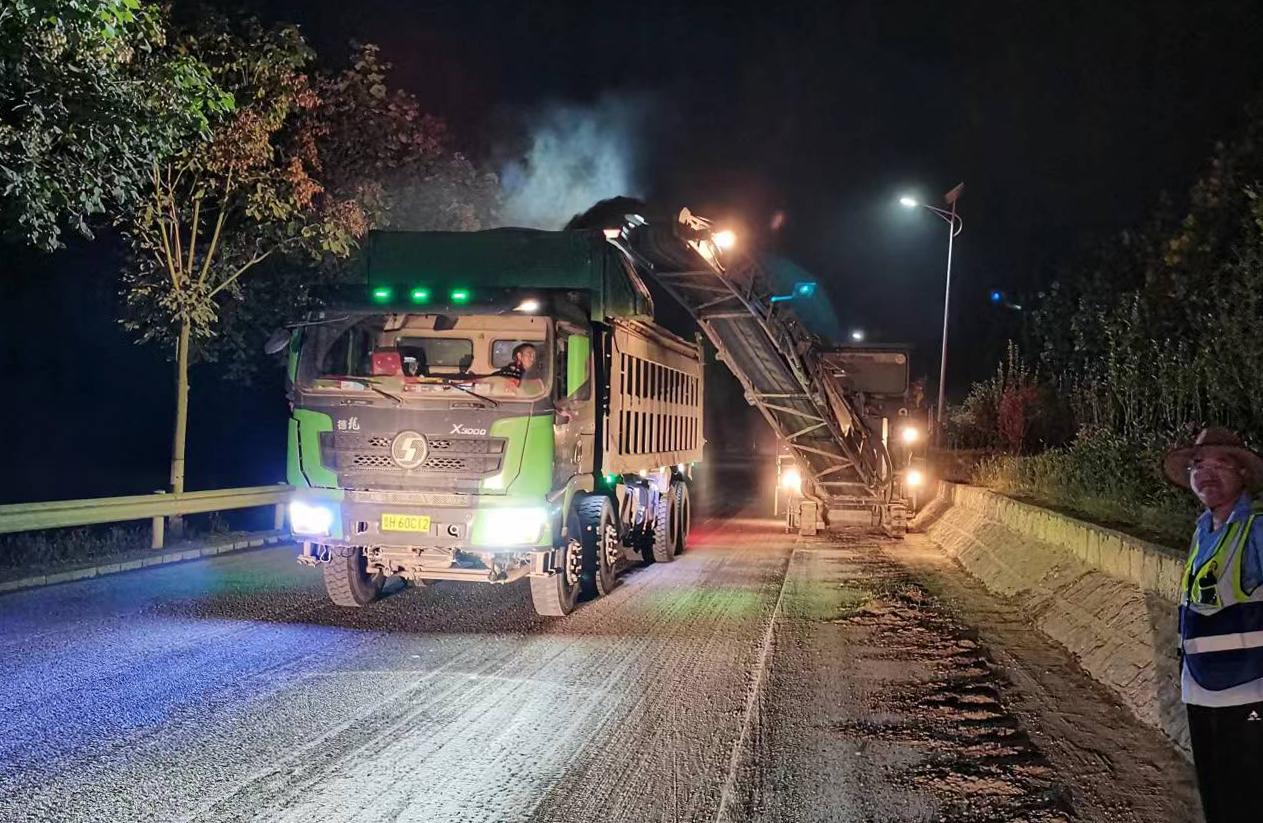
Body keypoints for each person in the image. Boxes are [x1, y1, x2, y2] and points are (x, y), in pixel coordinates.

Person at [1163, 426, 1263, 823]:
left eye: (1220, 462)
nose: (1205, 472)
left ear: (1242, 472)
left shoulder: (1256, 529)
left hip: (1249, 693)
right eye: (1197, 464)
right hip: (1200, 689)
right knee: (1216, 801)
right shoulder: (1203, 530)